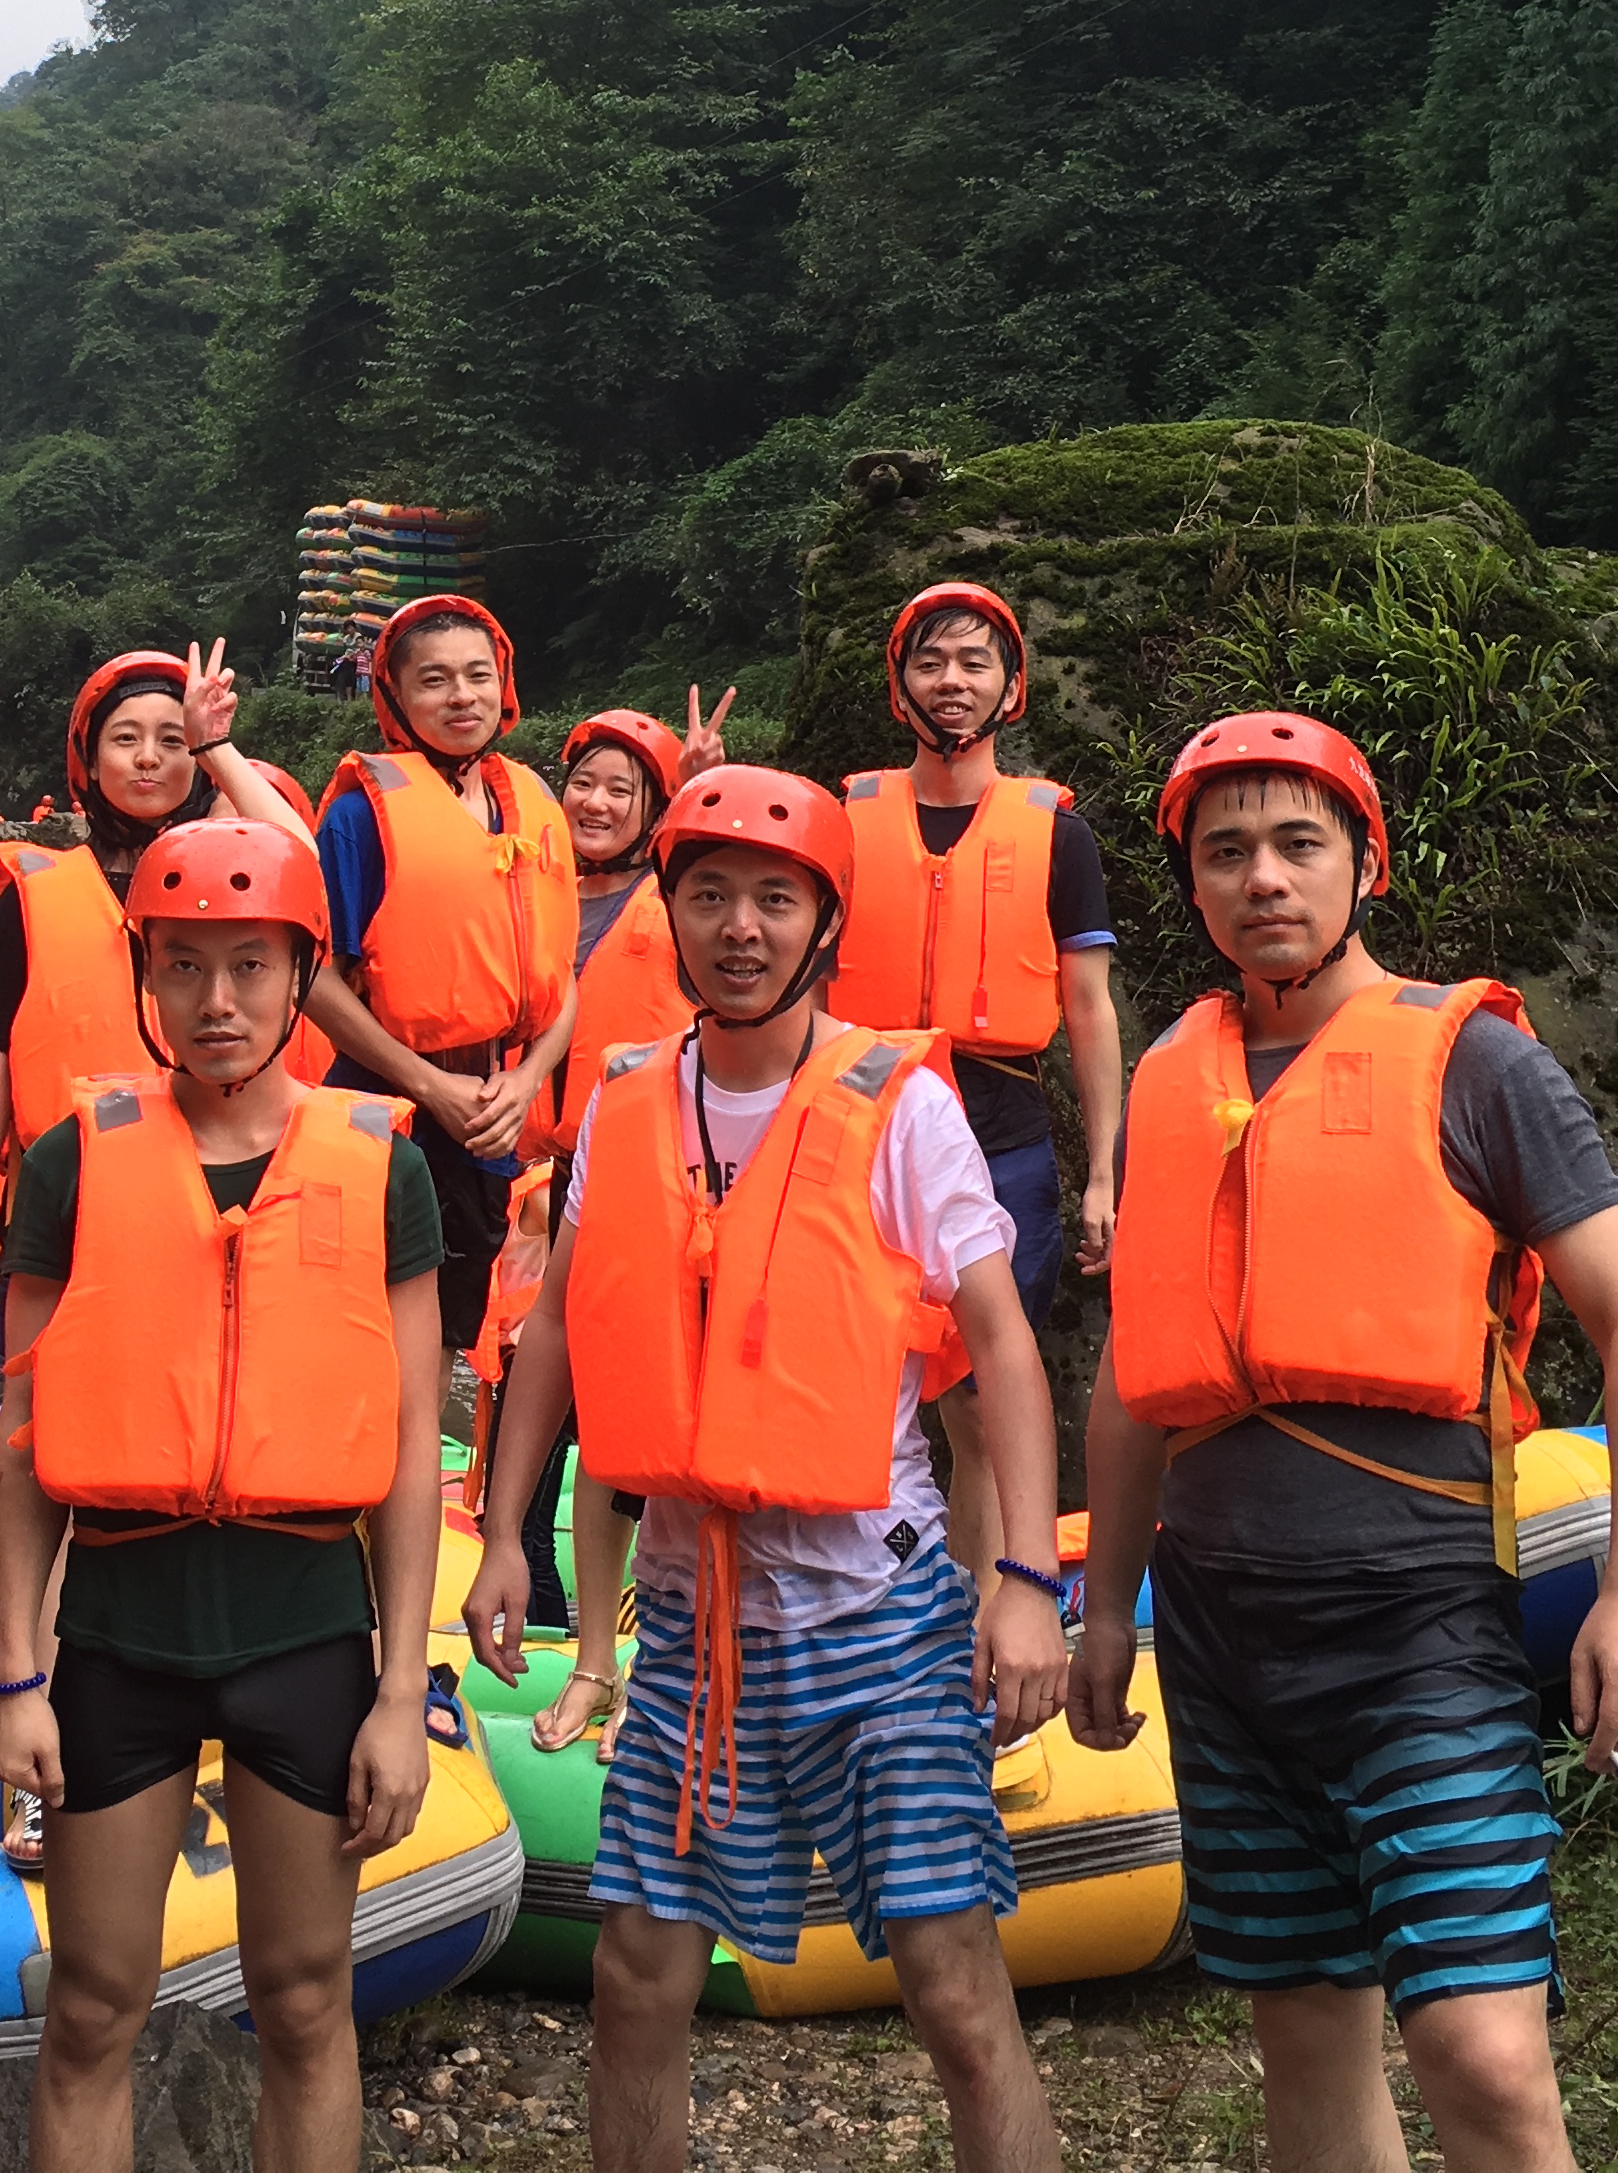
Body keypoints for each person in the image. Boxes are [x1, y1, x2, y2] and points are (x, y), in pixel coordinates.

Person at [1068, 712, 1618, 2173]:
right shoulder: (1173, 1078)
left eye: (1300, 844)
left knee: (1484, 2057)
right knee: (1304, 2036)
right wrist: (1104, 1611)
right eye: (1226, 852)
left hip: (1416, 1624)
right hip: (1219, 1630)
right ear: (1192, 883)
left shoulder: (1476, 1061)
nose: (1263, 878)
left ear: (1367, 864)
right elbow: (1135, 1378)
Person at [464, 767, 1073, 2173]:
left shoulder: (899, 1104)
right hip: (691, 1622)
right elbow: (556, 1329)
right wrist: (501, 1533)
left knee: (954, 1992)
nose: (740, 928)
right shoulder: (626, 1099)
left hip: (879, 1614)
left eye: (775, 900)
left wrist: (1027, 1578)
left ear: (823, 923)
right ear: (670, 914)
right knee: (635, 1978)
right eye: (711, 896)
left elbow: (1001, 1345)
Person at [0, 818, 447, 2173]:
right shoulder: (73, 1161)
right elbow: (23, 1439)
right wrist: (16, 1675)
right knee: (91, 2006)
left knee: (304, 2000)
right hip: (119, 1632)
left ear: (301, 975)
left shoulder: (382, 1162)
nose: (218, 1001)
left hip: (304, 1629)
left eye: (250, 965)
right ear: (147, 974)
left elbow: (412, 1441)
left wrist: (401, 1695)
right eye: (183, 966)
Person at [0, 642, 315, 1863]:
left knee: (97, 1489)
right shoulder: (33, 892)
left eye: (171, 741)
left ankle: (46, 1765)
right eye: (127, 738)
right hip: (48, 1229)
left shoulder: (231, 874)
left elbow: (300, 860)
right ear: (86, 759)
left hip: (188, 1233)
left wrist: (220, 744)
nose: (150, 758)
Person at [826, 584, 1124, 1581]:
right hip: (860, 1118)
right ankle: (858, 1596)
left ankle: (985, 1615)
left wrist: (1102, 1176)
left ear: (1010, 687)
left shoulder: (1058, 835)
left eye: (974, 662)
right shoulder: (844, 822)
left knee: (984, 1395)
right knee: (849, 1368)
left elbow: (1089, 1010)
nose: (951, 681)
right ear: (899, 685)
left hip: (1002, 1126)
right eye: (931, 662)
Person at [497, 700, 711, 1750]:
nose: (594, 801)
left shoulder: (675, 901)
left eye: (622, 789)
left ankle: (646, 1660)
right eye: (583, 781)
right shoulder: (532, 893)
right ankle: (567, 1643)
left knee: (631, 1418)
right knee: (534, 1389)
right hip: (541, 1178)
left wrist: (701, 786)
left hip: (650, 1166)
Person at [303, 593, 577, 1364]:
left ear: (503, 685)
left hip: (491, 1109)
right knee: (355, 1339)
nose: (462, 696)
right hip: (384, 1101)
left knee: (447, 1340)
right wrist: (429, 1086)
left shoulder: (533, 803)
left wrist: (525, 1083)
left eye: (478, 676)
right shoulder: (360, 815)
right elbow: (313, 978)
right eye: (435, 680)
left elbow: (562, 976)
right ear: (395, 697)